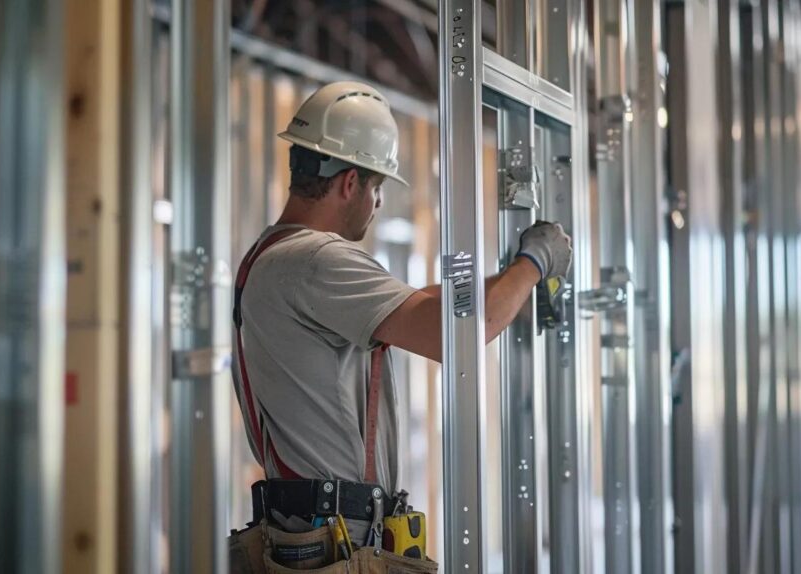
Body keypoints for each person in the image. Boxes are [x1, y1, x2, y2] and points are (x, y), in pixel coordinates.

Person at [229, 81, 571, 571]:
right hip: (334, 547)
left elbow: (420, 303)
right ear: (350, 183)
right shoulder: (318, 259)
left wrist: (505, 277)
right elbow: (458, 333)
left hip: (312, 533)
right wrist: (535, 262)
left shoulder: (273, 255)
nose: (378, 203)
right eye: (377, 187)